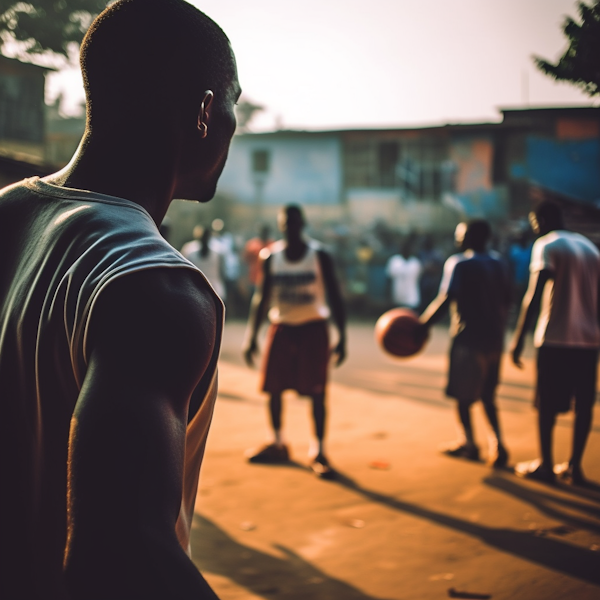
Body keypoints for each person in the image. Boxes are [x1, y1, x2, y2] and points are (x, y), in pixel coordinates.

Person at [0, 1, 241, 598]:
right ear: (206, 111)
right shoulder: (151, 283)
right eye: (235, 101)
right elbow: (124, 552)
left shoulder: (7, 213)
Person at [242, 205, 347, 479]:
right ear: (281, 226)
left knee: (317, 391)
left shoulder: (319, 255)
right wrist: (251, 336)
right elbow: (261, 298)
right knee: (273, 388)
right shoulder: (271, 256)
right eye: (286, 223)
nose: (291, 227)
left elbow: (335, 296)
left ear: (303, 224)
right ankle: (278, 443)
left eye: (295, 222)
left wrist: (343, 335)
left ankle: (319, 450)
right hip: (282, 325)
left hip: (313, 327)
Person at [511, 201, 600, 485]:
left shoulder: (546, 245)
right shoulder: (590, 248)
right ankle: (575, 466)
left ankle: (546, 466)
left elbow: (534, 295)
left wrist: (518, 339)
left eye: (535, 222)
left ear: (541, 220)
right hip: (589, 339)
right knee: (583, 404)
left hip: (555, 337)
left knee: (547, 404)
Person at [419, 220, 511, 467]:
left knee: (463, 397)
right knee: (489, 396)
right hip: (495, 338)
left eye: (460, 234)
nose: (457, 238)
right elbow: (508, 298)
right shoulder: (499, 263)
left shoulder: (458, 263)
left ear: (469, 237)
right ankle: (498, 443)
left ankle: (469, 443)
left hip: (468, 338)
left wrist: (421, 326)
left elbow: (445, 298)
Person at [182, 225, 227, 300]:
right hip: (216, 291)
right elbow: (223, 271)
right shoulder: (218, 250)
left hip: (194, 291)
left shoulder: (188, 249)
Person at [386, 240, 422, 310]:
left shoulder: (415, 263)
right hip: (397, 296)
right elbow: (388, 279)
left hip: (412, 297)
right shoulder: (394, 261)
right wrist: (388, 296)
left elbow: (419, 279)